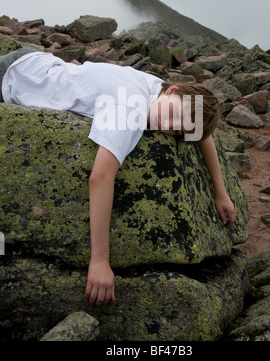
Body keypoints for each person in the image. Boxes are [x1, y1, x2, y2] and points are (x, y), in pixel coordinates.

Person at [0, 46, 236, 307]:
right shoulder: (129, 110)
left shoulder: (158, 90)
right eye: (175, 116)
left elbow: (200, 125)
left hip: (40, 63)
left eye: (178, 132)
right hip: (14, 77)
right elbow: (100, 177)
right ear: (174, 89)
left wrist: (220, 190)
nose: (168, 127)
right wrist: (100, 261)